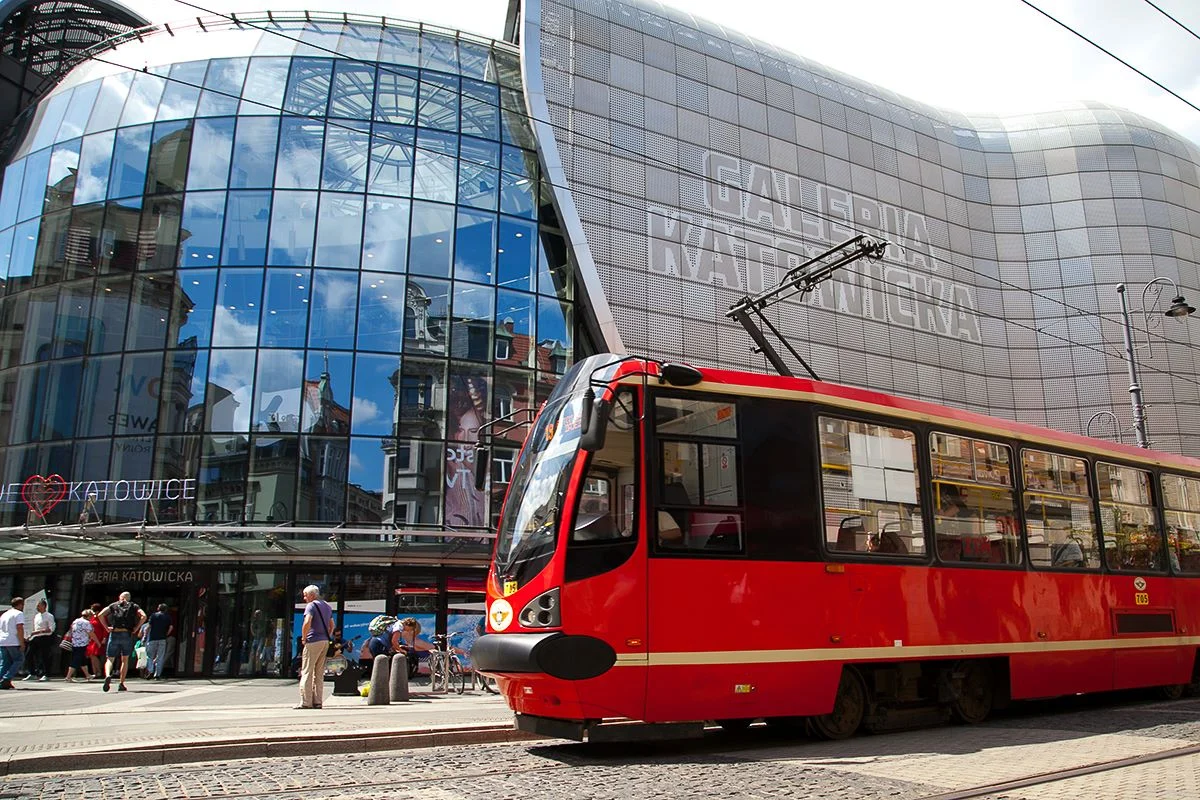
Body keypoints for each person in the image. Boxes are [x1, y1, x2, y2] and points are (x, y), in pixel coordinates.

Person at [98, 591, 147, 692]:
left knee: (110, 659)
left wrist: (107, 627)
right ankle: (121, 683)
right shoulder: (134, 606)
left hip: (114, 633)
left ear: (120, 597)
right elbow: (144, 616)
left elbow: (100, 615)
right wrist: (136, 628)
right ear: (128, 598)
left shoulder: (113, 605)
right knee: (125, 659)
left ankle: (107, 675)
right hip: (127, 633)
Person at [297, 584, 333, 709]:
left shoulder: (311, 606)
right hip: (324, 641)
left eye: (305, 595)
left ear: (312, 595)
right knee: (319, 673)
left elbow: (307, 622)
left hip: (313, 641)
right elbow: (331, 624)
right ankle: (318, 701)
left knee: (307, 671)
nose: (304, 598)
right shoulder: (327, 606)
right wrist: (327, 635)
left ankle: (306, 702)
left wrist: (303, 637)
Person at [64, 609, 99, 682]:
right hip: (82, 643)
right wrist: (97, 642)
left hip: (75, 643)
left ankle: (87, 675)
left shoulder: (76, 621)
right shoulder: (86, 623)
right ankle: (68, 676)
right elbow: (91, 634)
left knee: (83, 660)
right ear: (89, 616)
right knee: (76, 660)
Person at [25, 599, 55, 682]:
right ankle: (32, 673)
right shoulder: (37, 616)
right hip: (35, 637)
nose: (37, 607)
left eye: (39, 605)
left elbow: (51, 629)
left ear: (44, 606)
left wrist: (39, 631)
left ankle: (46, 674)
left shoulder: (49, 616)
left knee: (44, 656)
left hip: (44, 637)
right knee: (28, 655)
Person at [0, 597, 26, 690]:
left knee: (5, 662)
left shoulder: (5, 614)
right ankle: (6, 679)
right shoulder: (19, 614)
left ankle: (2, 680)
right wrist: (22, 643)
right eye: (23, 604)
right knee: (19, 660)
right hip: (13, 641)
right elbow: (19, 628)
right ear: (20, 604)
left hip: (3, 641)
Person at [144, 604, 172, 680]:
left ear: (158, 608)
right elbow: (170, 627)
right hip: (162, 638)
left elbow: (148, 627)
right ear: (166, 609)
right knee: (160, 657)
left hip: (153, 638)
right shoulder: (167, 617)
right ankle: (157, 674)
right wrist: (166, 634)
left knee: (150, 656)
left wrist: (145, 636)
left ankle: (150, 670)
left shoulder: (153, 616)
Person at [86, 602, 107, 679]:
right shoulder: (92, 617)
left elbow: (105, 628)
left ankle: (99, 671)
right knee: (91, 655)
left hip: (98, 637)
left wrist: (104, 638)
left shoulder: (101, 617)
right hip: (91, 638)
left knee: (94, 654)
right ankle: (95, 672)